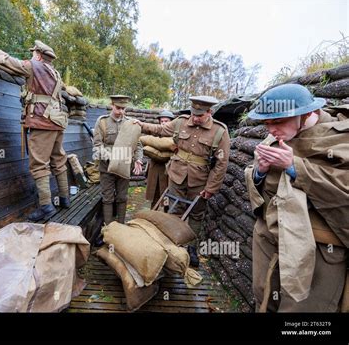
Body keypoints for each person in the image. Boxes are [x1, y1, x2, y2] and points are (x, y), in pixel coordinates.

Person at [245, 83, 349, 312]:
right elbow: (259, 182)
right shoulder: (274, 138)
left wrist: (294, 167)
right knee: (264, 299)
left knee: (302, 312)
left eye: (278, 122)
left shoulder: (340, 139)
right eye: (266, 123)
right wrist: (259, 172)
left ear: (306, 114)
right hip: (270, 238)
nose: (271, 130)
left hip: (318, 248)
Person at [0, 37, 70, 221]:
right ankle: (64, 199)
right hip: (57, 122)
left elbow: (6, 60)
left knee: (39, 164)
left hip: (42, 122)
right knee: (59, 159)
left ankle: (47, 206)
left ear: (38, 55)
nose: (31, 55)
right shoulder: (55, 73)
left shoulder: (33, 66)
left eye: (33, 53)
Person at [135, 96, 230, 267]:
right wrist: (142, 125)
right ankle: (171, 245)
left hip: (200, 180)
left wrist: (211, 187)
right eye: (193, 113)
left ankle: (191, 248)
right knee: (173, 209)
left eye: (200, 115)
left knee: (196, 214)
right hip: (176, 175)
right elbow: (161, 130)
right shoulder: (181, 122)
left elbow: (221, 164)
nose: (195, 117)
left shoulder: (220, 132)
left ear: (209, 112)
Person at [93, 95, 143, 225]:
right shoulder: (102, 122)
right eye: (118, 108)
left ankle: (120, 225)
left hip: (125, 167)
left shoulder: (130, 123)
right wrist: (112, 158)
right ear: (112, 105)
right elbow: (97, 145)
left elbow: (137, 145)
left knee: (122, 197)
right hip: (106, 167)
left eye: (123, 108)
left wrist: (138, 159)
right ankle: (108, 227)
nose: (121, 111)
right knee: (108, 198)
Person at [145, 110, 175, 210]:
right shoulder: (155, 135)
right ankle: (152, 213)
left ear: (171, 122)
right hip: (155, 168)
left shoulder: (175, 136)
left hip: (169, 170)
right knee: (154, 193)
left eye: (166, 121)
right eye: (161, 121)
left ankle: (166, 213)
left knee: (167, 194)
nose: (163, 123)